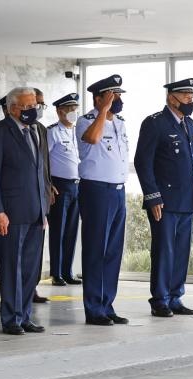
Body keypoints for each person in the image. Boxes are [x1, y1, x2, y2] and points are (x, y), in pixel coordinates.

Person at [0, 87, 48, 335]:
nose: (34, 110)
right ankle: (11, 318)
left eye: (35, 106)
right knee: (11, 268)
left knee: (31, 269)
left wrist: (45, 204)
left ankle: (25, 315)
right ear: (12, 108)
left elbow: (42, 170)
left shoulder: (39, 130)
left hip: (36, 211)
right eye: (28, 106)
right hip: (10, 212)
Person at [135, 78, 193, 318]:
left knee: (182, 251)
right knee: (164, 251)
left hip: (186, 200)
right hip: (164, 201)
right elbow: (143, 162)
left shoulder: (190, 124)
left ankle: (175, 297)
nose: (190, 100)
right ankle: (160, 299)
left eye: (191, 96)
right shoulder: (155, 124)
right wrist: (152, 196)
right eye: (185, 96)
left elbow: (192, 164)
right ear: (171, 98)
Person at [77, 75, 129, 326]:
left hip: (118, 191)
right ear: (99, 98)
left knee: (113, 252)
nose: (117, 100)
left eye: (119, 96)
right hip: (96, 191)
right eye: (112, 95)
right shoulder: (86, 121)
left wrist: (110, 114)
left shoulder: (120, 123)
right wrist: (103, 111)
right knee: (97, 249)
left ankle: (107, 304)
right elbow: (93, 139)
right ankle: (93, 308)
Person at [47, 93, 82, 286]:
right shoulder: (53, 132)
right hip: (59, 186)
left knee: (71, 231)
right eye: (70, 110)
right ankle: (56, 273)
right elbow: (43, 161)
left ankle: (68, 272)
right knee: (58, 230)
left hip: (77, 186)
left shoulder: (77, 132)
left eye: (75, 109)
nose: (73, 113)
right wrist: (48, 184)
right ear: (60, 112)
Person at [32, 87, 52, 304]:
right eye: (35, 103)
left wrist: (49, 188)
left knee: (36, 250)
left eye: (40, 104)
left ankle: (31, 287)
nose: (38, 108)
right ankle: (14, 290)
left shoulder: (41, 129)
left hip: (41, 199)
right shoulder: (2, 131)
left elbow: (45, 164)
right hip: (18, 202)